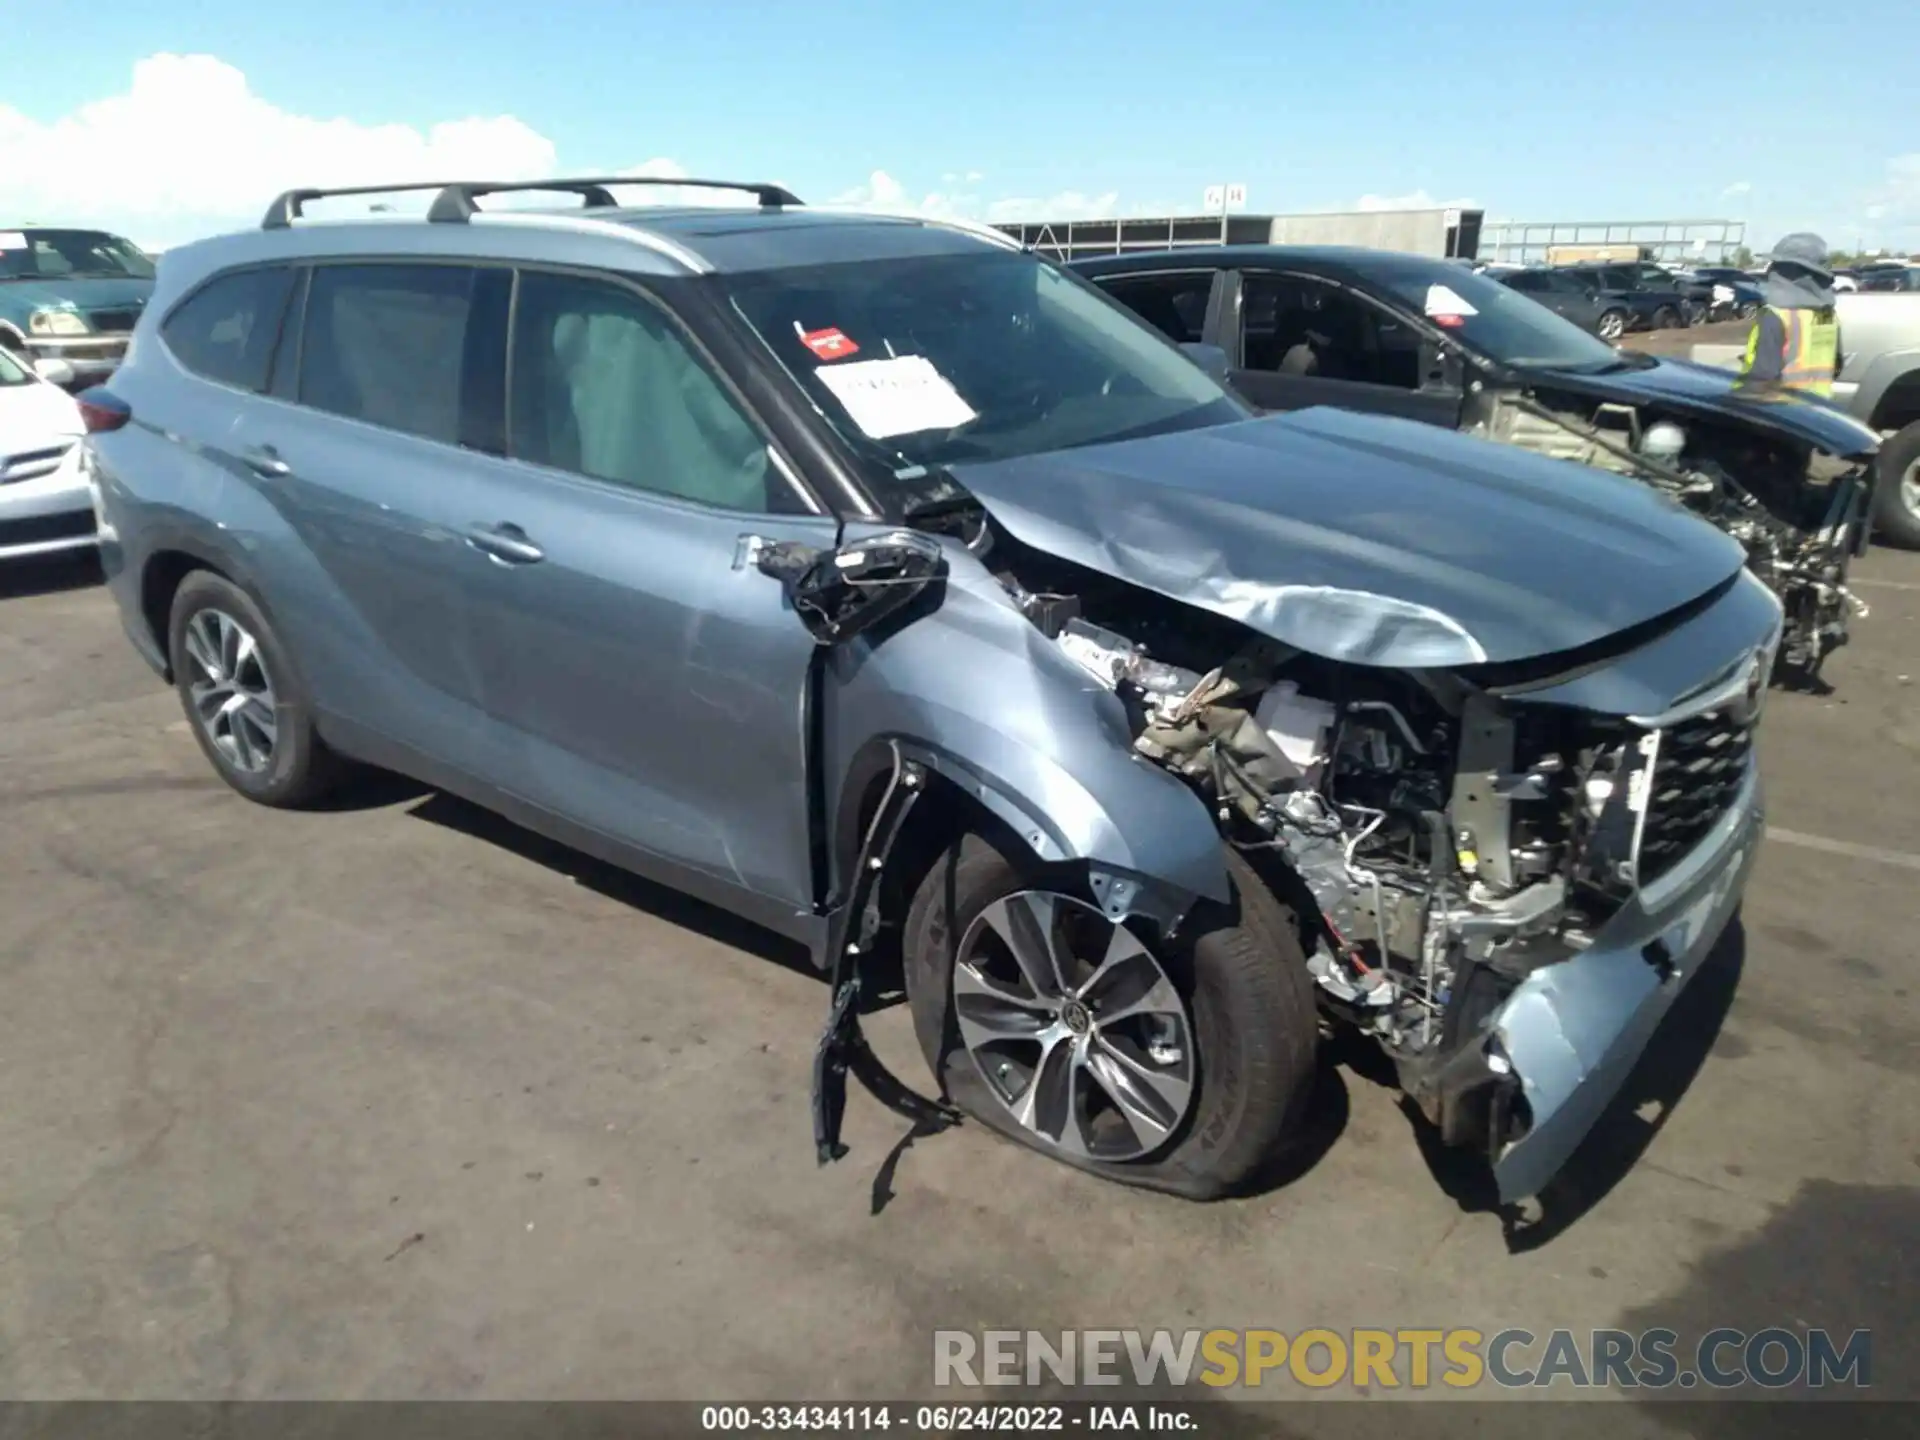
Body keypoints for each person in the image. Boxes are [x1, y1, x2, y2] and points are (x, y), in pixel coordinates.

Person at [1740, 232, 1840, 395]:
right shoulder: (1829, 315)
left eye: (1776, 265)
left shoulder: (1776, 315)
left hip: (1782, 411)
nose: (1771, 270)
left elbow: (1762, 379)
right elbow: (1836, 363)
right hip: (1819, 410)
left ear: (1789, 272)